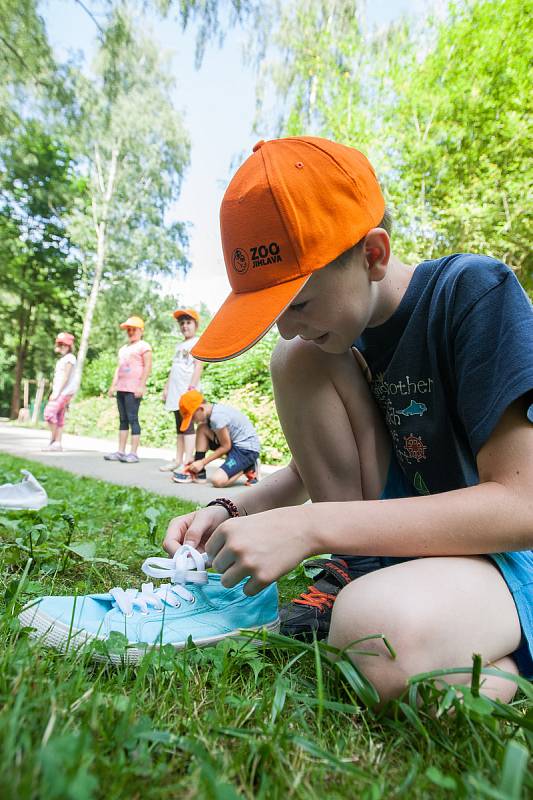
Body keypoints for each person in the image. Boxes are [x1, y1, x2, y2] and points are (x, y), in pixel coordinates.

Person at [162, 136, 533, 706]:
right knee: (296, 360)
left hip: (506, 559)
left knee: (373, 636)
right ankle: (362, 576)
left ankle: (479, 650)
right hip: (408, 551)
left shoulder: (471, 294)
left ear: (374, 255)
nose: (286, 328)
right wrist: (227, 507)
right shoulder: (338, 342)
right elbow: (309, 474)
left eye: (300, 305)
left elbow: (521, 506)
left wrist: (314, 528)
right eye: (273, 312)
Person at [172, 389, 260, 488]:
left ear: (200, 409)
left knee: (217, 481)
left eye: (192, 418)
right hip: (233, 444)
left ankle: (248, 466)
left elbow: (226, 446)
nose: (193, 421)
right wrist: (197, 460)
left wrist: (203, 462)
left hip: (246, 451)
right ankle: (199, 472)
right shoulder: (212, 412)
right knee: (202, 428)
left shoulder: (217, 417)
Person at [160, 308, 204, 472]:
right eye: (182, 323)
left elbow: (199, 365)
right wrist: (166, 388)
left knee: (188, 426)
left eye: (188, 322)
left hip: (188, 392)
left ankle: (188, 461)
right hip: (175, 392)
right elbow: (173, 369)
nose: (185, 326)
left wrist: (191, 388)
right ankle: (178, 460)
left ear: (195, 325)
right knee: (179, 427)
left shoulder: (197, 342)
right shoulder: (179, 345)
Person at [105, 316, 152, 463]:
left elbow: (147, 366)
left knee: (133, 419)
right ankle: (120, 451)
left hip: (134, 389)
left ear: (141, 330)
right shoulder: (123, 349)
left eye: (134, 329)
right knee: (123, 420)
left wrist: (141, 385)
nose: (131, 332)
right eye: (129, 329)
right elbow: (118, 368)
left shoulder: (144, 346)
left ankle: (133, 453)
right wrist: (113, 385)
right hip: (122, 388)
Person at [43, 332, 77, 451]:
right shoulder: (63, 359)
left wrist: (56, 392)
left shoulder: (70, 358)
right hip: (62, 391)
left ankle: (54, 440)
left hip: (63, 392)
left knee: (49, 413)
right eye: (60, 344)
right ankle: (57, 443)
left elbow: (66, 377)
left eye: (64, 345)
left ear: (69, 346)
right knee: (59, 416)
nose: (62, 347)